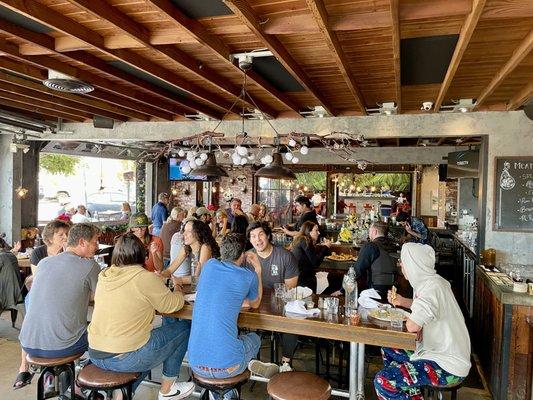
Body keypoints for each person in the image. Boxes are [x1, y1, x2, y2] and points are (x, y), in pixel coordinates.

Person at [88, 233, 194, 400]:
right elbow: (172, 305)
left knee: (146, 343)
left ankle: (121, 395)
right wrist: (179, 289)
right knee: (184, 329)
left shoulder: (105, 275)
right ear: (141, 253)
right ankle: (168, 388)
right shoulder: (143, 277)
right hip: (123, 357)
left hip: (95, 353)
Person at [374, 243, 471, 399]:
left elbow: (412, 326)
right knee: (389, 347)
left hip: (447, 365)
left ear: (413, 265)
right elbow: (427, 309)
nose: (400, 265)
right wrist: (402, 301)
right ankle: (412, 394)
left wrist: (416, 325)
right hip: (436, 352)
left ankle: (402, 386)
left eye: (402, 261)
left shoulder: (431, 288)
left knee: (383, 380)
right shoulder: (432, 282)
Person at [188, 234, 274, 398]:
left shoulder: (209, 266)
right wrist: (258, 269)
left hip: (195, 364)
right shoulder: (247, 276)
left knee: (230, 342)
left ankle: (221, 393)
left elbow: (216, 293)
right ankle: (245, 367)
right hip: (229, 367)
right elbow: (255, 303)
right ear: (242, 255)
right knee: (254, 338)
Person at [18, 224, 100, 391]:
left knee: (69, 324)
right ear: (82, 242)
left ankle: (55, 374)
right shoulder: (90, 266)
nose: (97, 246)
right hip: (62, 347)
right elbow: (101, 297)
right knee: (105, 334)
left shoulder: (44, 263)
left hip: (28, 343)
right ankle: (78, 386)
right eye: (95, 241)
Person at [13, 220, 71, 390]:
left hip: (61, 297)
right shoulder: (39, 252)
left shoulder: (68, 252)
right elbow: (39, 281)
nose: (65, 237)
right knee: (31, 319)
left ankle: (52, 373)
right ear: (49, 238)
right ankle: (24, 366)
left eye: (66, 234)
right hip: (41, 295)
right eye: (61, 235)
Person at [247, 221, 299, 372]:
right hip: (254, 304)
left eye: (261, 234)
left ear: (268, 236)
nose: (258, 239)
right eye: (253, 236)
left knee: (292, 320)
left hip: (280, 304)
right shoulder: (247, 258)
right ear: (250, 240)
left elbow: (291, 288)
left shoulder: (285, 256)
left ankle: (285, 363)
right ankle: (248, 360)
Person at [161, 219, 220, 284]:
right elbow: (169, 270)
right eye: (184, 230)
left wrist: (178, 280)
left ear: (198, 233)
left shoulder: (205, 247)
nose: (184, 234)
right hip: (196, 286)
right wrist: (160, 275)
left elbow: (199, 277)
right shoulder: (186, 248)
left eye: (188, 231)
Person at [354, 222, 397, 299]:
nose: (369, 233)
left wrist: (342, 290)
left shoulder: (370, 246)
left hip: (375, 292)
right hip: (393, 292)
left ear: (375, 231)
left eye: (369, 230)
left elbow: (357, 270)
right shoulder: (394, 246)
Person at [289, 221, 331, 292]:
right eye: (316, 230)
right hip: (303, 280)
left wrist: (324, 247)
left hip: (298, 278)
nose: (319, 233)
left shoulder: (302, 239)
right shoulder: (305, 240)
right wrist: (326, 247)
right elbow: (315, 263)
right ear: (309, 232)